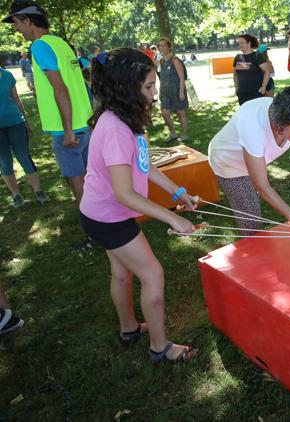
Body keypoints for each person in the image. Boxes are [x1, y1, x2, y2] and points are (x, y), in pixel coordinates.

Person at [80, 48, 199, 363]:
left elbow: (146, 166)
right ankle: (160, 348)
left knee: (121, 273)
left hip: (102, 214)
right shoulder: (116, 129)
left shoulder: (128, 119)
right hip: (108, 217)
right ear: (125, 88)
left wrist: (179, 194)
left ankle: (130, 328)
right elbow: (124, 194)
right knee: (152, 274)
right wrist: (172, 219)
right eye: (148, 87)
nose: (154, 92)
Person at [207, 87, 290, 234]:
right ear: (280, 123)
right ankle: (252, 251)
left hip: (251, 158)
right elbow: (262, 185)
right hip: (228, 163)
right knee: (251, 221)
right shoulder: (253, 126)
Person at [3, 1, 93, 203]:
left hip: (67, 130)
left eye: (16, 22)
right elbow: (81, 83)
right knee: (90, 179)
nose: (16, 28)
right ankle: (105, 222)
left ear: (28, 20)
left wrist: (68, 129)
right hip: (84, 123)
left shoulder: (40, 46)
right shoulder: (60, 42)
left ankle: (94, 229)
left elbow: (60, 88)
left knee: (77, 182)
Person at [0, 64, 50, 207]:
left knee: (24, 157)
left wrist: (26, 122)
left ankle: (39, 192)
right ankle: (16, 195)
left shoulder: (7, 75)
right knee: (5, 162)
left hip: (15, 122)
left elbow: (16, 100)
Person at [157, 37, 189, 142]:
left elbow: (182, 78)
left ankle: (184, 135)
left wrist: (181, 92)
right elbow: (161, 77)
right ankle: (173, 133)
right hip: (165, 92)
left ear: (169, 47)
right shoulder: (160, 61)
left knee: (181, 113)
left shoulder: (175, 60)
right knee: (165, 113)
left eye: (164, 45)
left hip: (177, 91)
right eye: (160, 46)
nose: (162, 47)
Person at [233, 33, 272, 106]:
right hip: (242, 94)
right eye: (239, 43)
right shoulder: (238, 57)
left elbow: (267, 71)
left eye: (242, 43)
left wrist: (263, 87)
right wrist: (236, 87)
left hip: (256, 93)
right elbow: (235, 74)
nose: (240, 45)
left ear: (249, 43)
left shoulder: (256, 56)